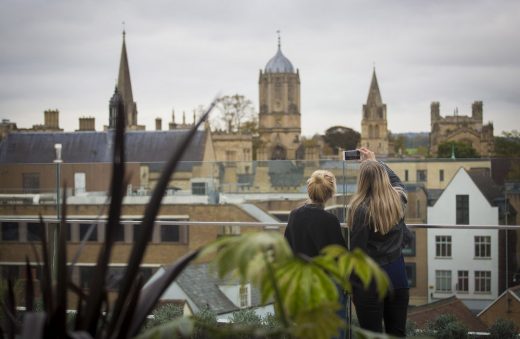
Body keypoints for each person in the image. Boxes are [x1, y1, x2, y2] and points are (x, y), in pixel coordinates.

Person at [348, 147, 411, 337]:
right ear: (383, 178)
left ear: (362, 182)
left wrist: (351, 284)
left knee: (371, 334)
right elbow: (397, 182)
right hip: (397, 276)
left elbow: (357, 253)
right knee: (397, 333)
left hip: (371, 281)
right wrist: (376, 162)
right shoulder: (398, 199)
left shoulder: (360, 209)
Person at [284, 169, 347, 338]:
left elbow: (287, 248)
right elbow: (340, 256)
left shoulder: (295, 215)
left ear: (309, 190)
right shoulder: (330, 221)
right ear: (330, 194)